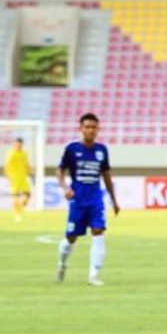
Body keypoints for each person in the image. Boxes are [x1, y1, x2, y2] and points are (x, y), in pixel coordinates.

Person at [55, 113, 120, 286]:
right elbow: (60, 170)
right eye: (87, 127)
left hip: (95, 200)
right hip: (78, 200)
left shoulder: (101, 150)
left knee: (98, 231)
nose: (90, 130)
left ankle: (93, 275)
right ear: (81, 129)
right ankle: (62, 263)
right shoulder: (72, 149)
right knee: (72, 237)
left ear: (98, 129)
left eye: (94, 127)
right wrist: (64, 187)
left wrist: (113, 199)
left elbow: (106, 175)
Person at [4, 137, 32, 221]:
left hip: (23, 177)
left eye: (20, 144)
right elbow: (7, 164)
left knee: (28, 194)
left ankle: (20, 208)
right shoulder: (11, 153)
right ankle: (17, 214)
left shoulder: (24, 153)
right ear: (14, 144)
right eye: (17, 144)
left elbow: (26, 163)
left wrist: (29, 171)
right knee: (15, 196)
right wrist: (7, 175)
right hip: (14, 177)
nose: (18, 145)